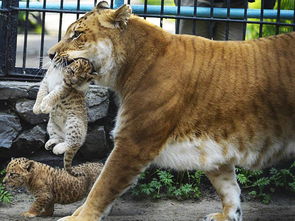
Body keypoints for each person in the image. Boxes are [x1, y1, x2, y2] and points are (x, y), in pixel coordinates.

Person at [174, 0, 276, 40]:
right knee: (190, 58)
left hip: (234, 4)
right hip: (195, 2)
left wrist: (268, 3)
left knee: (231, 62)